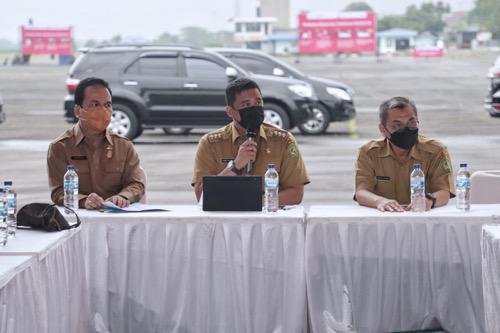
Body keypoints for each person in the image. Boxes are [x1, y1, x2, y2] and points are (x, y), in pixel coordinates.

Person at [192, 78, 309, 206]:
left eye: (258, 102)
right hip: (225, 221)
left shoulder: (283, 141)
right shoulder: (210, 144)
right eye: (246, 105)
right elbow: (201, 196)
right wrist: (234, 167)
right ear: (230, 111)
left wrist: (255, 202)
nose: (255, 108)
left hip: (270, 220)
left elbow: (296, 193)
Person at [47, 77, 144, 209]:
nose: (103, 111)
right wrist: (83, 200)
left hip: (117, 219)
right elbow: (58, 192)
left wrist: (123, 197)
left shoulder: (124, 146)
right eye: (95, 105)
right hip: (78, 220)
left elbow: (136, 184)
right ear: (78, 110)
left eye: (107, 105)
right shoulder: (60, 147)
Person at [354, 96, 454, 212]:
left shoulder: (436, 151)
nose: (406, 130)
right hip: (385, 218)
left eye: (412, 123)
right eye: (397, 125)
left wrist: (428, 200)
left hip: (423, 216)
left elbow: (444, 192)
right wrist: (380, 201)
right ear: (382, 129)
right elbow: (361, 192)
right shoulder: (368, 152)